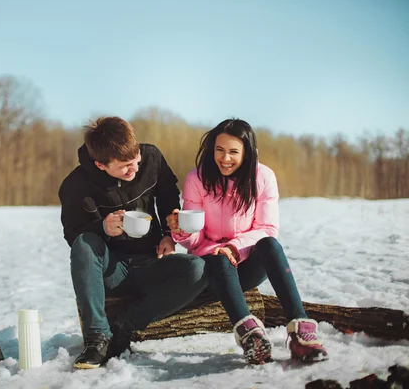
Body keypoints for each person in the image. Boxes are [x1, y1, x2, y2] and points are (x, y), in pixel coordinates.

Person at [167, 118, 328, 365]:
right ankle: (251, 337)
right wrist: (182, 231)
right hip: (215, 268)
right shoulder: (197, 179)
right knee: (219, 259)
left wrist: (234, 246)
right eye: (219, 150)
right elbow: (195, 240)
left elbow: (267, 228)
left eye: (233, 152)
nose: (225, 158)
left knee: (270, 245)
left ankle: (299, 330)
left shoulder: (263, 177)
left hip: (249, 263)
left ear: (247, 153)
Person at [59, 116, 205, 369]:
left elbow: (168, 194)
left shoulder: (151, 157)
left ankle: (126, 326)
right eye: (125, 166)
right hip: (111, 269)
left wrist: (168, 234)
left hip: (152, 262)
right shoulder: (75, 185)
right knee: (84, 243)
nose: (134, 169)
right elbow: (73, 234)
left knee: (197, 269)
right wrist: (102, 227)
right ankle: (98, 337)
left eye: (136, 161)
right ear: (101, 165)